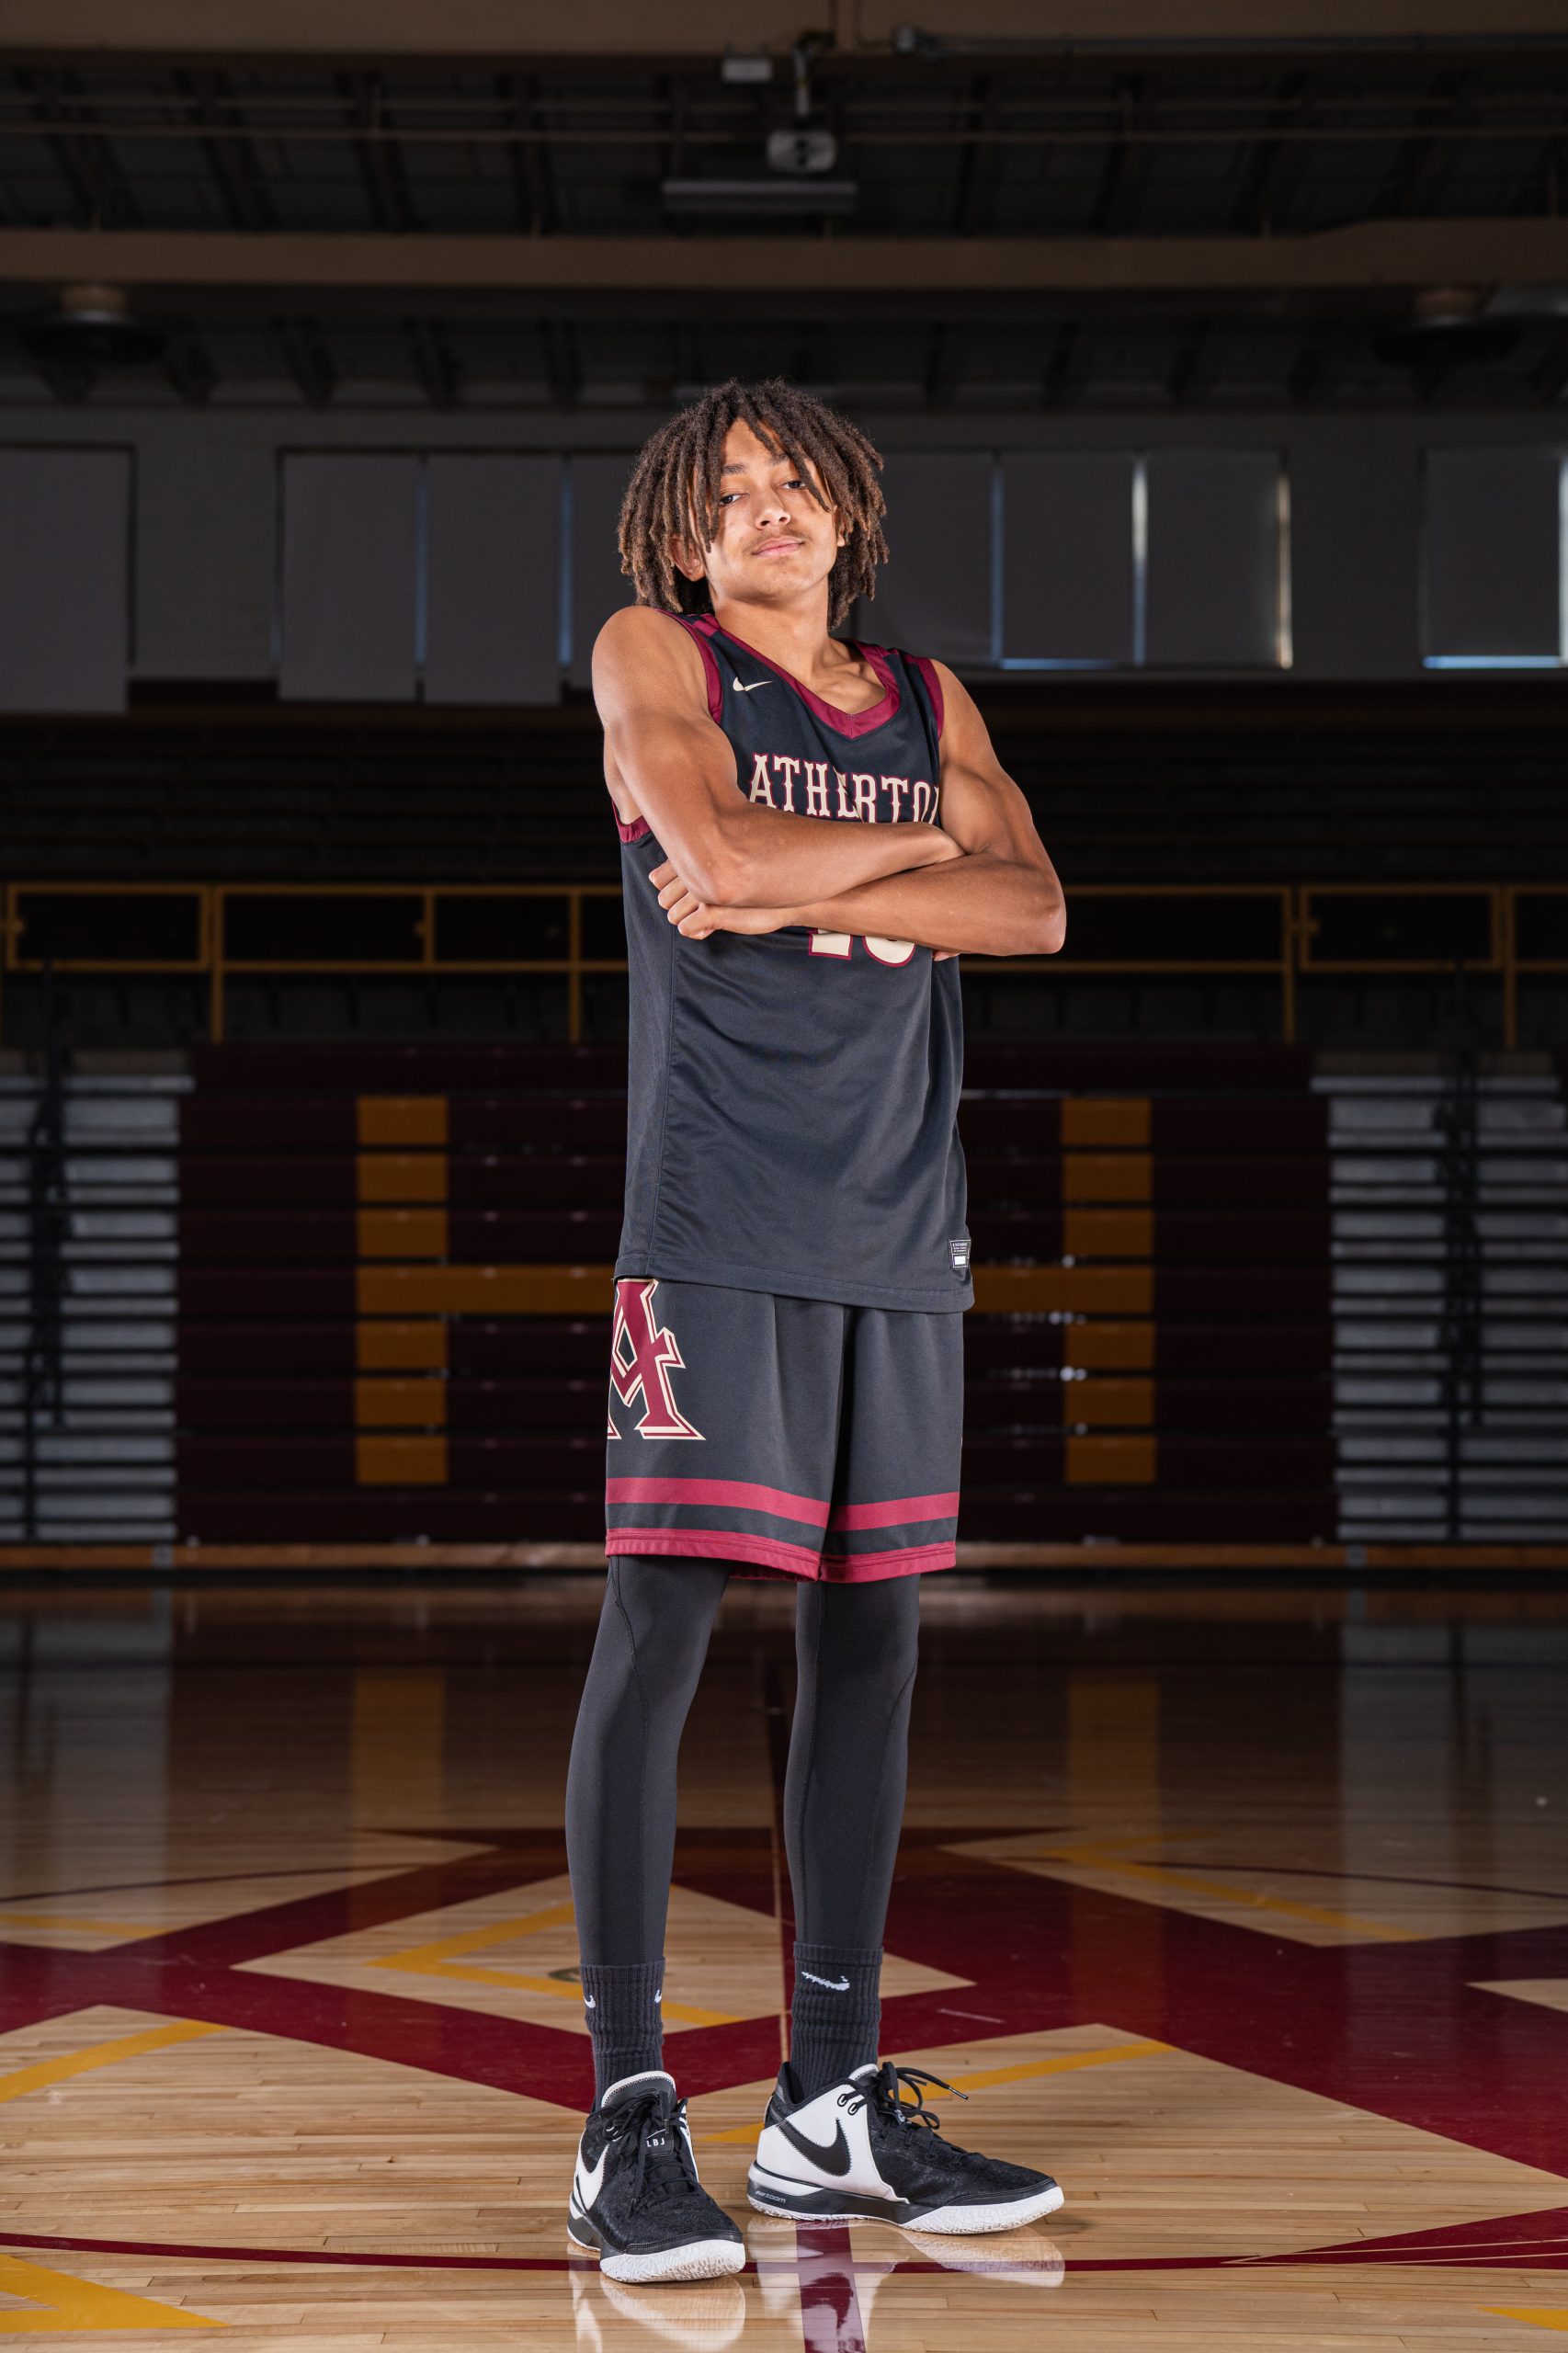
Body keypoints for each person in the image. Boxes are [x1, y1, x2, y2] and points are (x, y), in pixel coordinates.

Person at [563, 378, 1066, 2286]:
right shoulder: (655, 652)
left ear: (845, 510)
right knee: (662, 1627)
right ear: (681, 538)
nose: (765, 510)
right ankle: (627, 2111)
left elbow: (1035, 909)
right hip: (716, 1216)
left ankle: (828, 2101)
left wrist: (817, 854)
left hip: (899, 1219)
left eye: (793, 483)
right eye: (728, 493)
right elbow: (727, 863)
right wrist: (910, 860)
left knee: (875, 1636)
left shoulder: (928, 699)